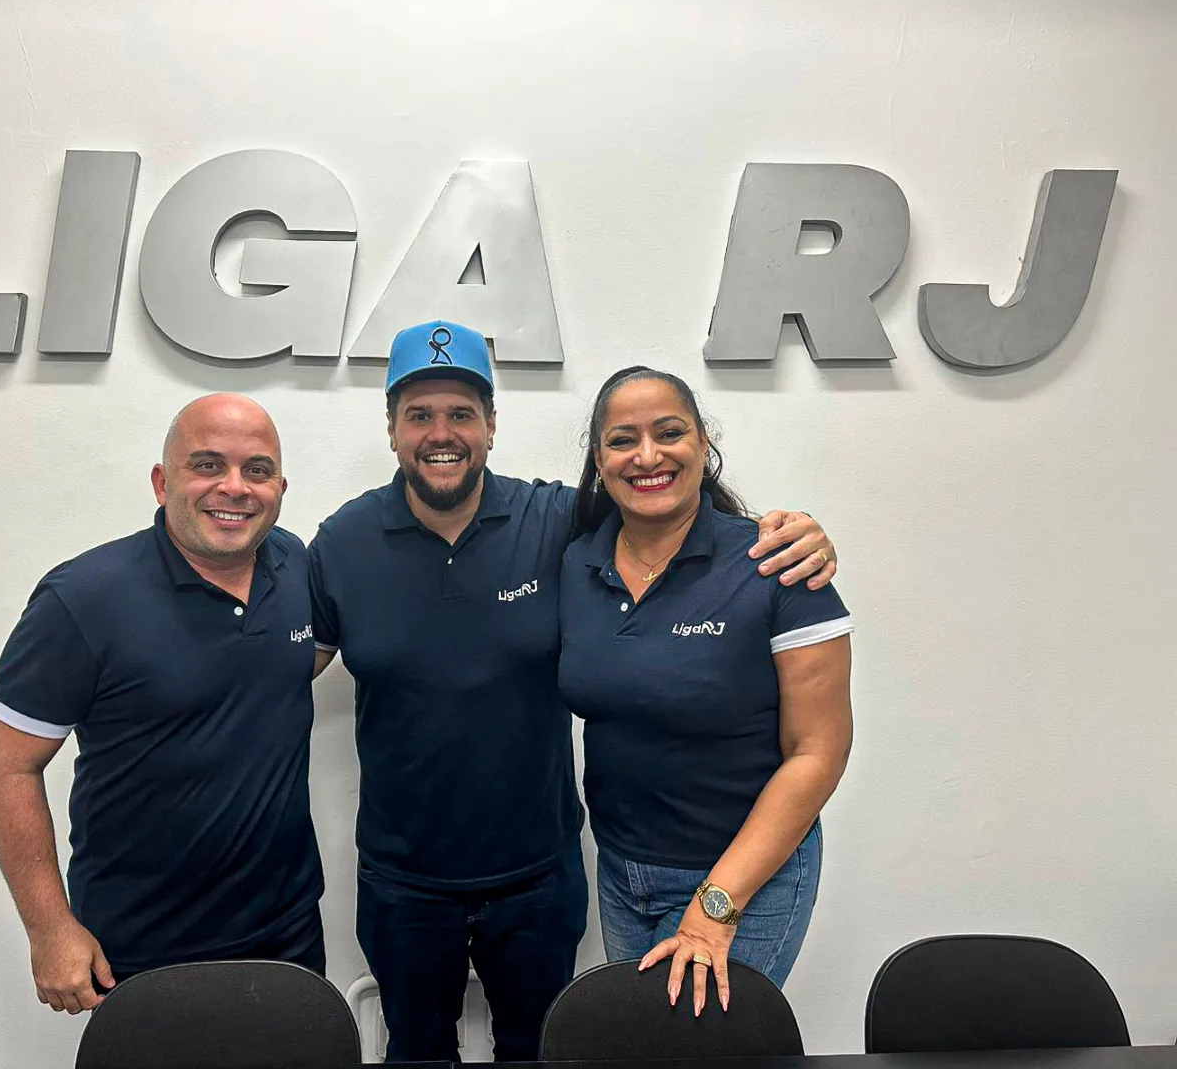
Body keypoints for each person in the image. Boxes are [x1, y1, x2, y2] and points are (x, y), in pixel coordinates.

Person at [307, 321, 840, 1060]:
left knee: (547, 1052)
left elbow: (664, 505)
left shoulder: (556, 521)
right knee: (416, 1052)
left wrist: (797, 530)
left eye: (462, 413)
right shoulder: (342, 541)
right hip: (402, 878)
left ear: (492, 425)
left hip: (537, 874)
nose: (442, 433)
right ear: (392, 428)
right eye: (419, 415)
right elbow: (287, 660)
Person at [0, 394, 324, 1015]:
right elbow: (7, 767)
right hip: (141, 947)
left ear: (280, 488)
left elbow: (283, 665)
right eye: (208, 465)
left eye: (257, 470)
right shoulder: (82, 599)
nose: (234, 487)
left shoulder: (295, 566)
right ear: (163, 483)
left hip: (288, 935)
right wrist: (49, 928)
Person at [559, 365, 854, 1017]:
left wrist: (717, 905)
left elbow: (819, 752)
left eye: (670, 433)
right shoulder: (578, 562)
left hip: (742, 878)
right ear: (599, 461)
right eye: (622, 440)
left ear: (703, 442)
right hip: (622, 872)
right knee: (637, 1046)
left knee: (699, 1051)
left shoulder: (776, 564)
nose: (648, 456)